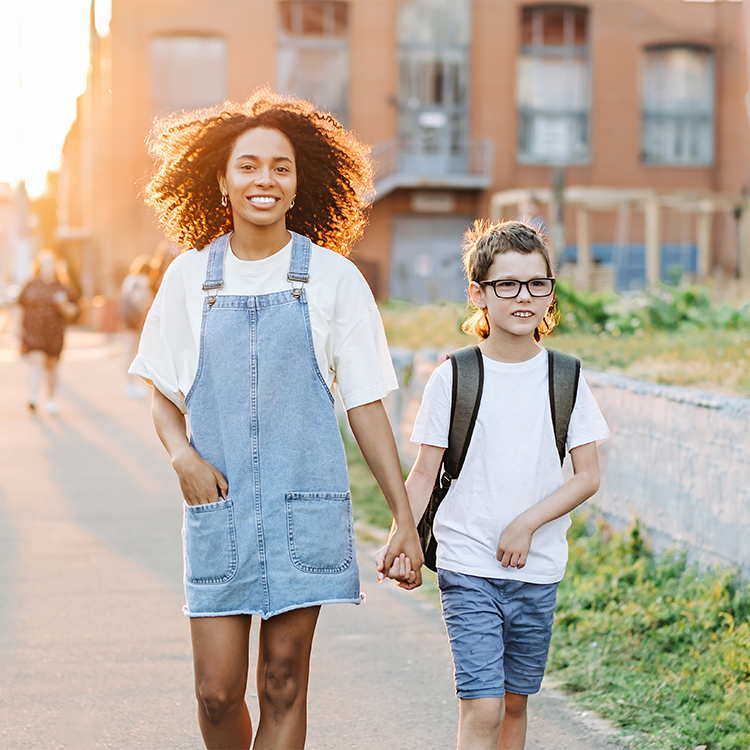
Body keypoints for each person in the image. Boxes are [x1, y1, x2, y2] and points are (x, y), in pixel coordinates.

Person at [129, 89, 422, 750]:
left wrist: (404, 518)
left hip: (304, 507)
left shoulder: (333, 279)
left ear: (299, 185)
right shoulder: (187, 279)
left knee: (284, 683)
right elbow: (162, 394)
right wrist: (182, 456)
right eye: (250, 166)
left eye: (281, 168)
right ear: (223, 182)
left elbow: (367, 403)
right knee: (215, 695)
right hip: (220, 508)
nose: (266, 179)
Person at [378, 220, 610, 750]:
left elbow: (589, 475)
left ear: (551, 290)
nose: (523, 297)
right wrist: (400, 537)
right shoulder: (453, 376)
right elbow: (422, 472)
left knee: (513, 704)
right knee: (481, 706)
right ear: (478, 294)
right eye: (507, 284)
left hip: (538, 569)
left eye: (537, 283)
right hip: (467, 564)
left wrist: (527, 524)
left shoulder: (566, 378)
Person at [17, 250, 79, 414]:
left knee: (51, 365)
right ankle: (33, 397)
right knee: (35, 361)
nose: (48, 267)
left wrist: (64, 306)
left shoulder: (63, 287)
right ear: (38, 266)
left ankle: (51, 399)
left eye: (51, 264)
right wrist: (17, 329)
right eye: (44, 264)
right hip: (33, 331)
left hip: (54, 332)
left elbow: (74, 312)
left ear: (56, 267)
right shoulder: (30, 285)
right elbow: (19, 306)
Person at [120, 254, 154, 398]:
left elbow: (124, 296)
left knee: (129, 351)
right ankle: (133, 385)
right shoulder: (144, 280)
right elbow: (145, 300)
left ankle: (130, 384)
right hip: (137, 317)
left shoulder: (129, 279)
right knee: (137, 351)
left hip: (127, 317)